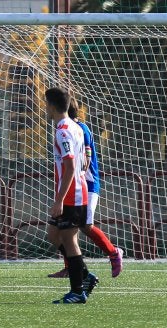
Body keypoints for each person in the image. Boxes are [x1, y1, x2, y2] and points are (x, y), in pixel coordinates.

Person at [47, 97, 123, 278]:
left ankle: (113, 252)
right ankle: (72, 266)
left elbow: (85, 162)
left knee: (85, 226)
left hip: (86, 185)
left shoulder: (79, 129)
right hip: (72, 186)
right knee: (57, 232)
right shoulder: (67, 129)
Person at [43, 87, 98, 304]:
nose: (45, 107)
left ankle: (77, 291)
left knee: (69, 239)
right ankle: (85, 276)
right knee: (53, 234)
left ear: (52, 106)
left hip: (71, 194)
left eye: (46, 103)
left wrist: (59, 200)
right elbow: (82, 160)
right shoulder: (76, 127)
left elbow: (70, 165)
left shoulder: (63, 130)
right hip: (75, 190)